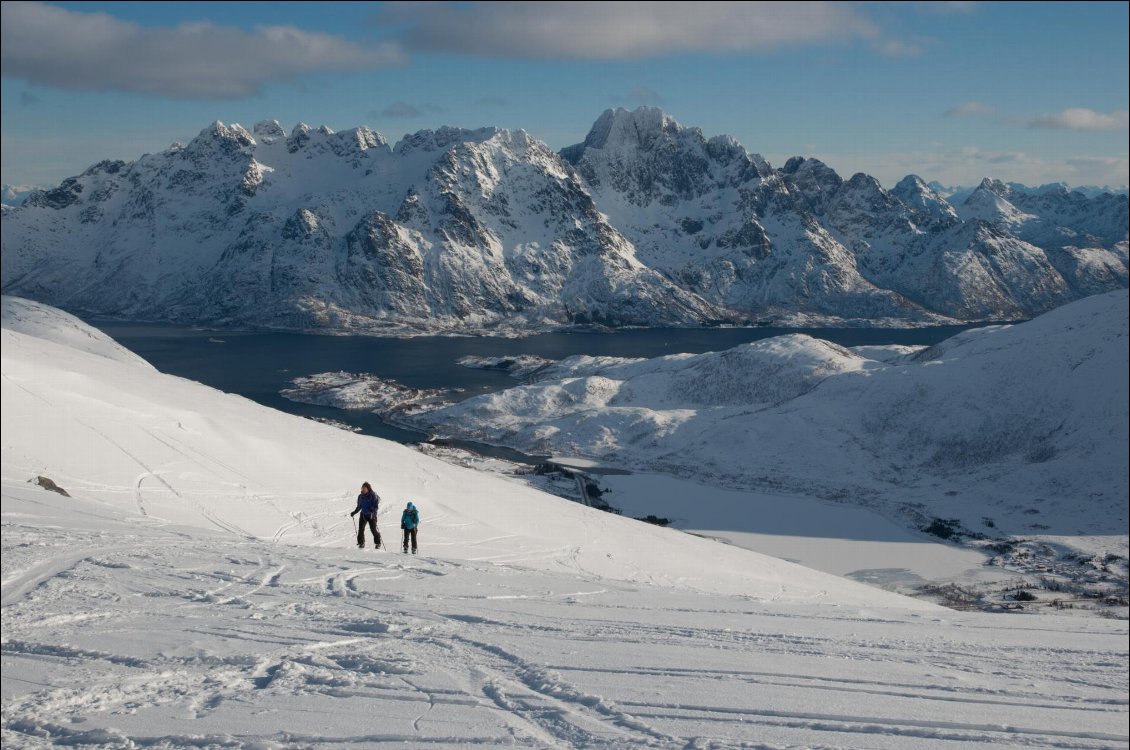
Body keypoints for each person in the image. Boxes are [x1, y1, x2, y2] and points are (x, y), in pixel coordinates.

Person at [350, 482, 381, 549]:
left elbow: (376, 507)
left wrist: (372, 510)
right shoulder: (360, 496)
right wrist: (354, 512)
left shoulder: (373, 495)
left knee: (373, 530)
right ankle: (361, 543)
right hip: (363, 514)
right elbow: (359, 506)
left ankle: (378, 543)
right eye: (362, 488)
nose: (363, 489)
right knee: (361, 530)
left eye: (365, 488)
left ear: (368, 489)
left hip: (371, 515)